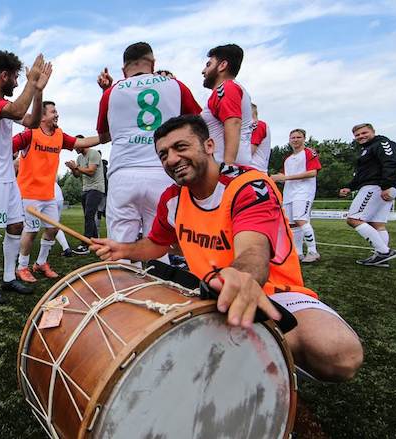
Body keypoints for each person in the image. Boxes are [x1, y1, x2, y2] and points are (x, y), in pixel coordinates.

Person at [91, 115, 363, 382]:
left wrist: (241, 275)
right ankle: (257, 353)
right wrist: (123, 250)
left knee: (340, 355)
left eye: (181, 147)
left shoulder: (248, 184)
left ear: (209, 146)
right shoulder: (171, 198)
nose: (171, 159)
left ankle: (273, 352)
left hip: (274, 294)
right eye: (163, 155)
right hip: (209, 298)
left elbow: (254, 249)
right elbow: (157, 244)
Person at [95, 42, 202, 264]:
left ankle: (121, 294)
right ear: (153, 64)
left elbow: (104, 135)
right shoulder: (175, 85)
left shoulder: (112, 92)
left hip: (123, 172)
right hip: (162, 171)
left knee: (119, 247)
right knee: (158, 244)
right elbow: (198, 122)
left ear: (124, 69)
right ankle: (157, 294)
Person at [0, 50, 51, 304]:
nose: (18, 83)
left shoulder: (4, 105)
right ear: (3, 75)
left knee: (16, 226)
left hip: (8, 178)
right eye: (16, 78)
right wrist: (31, 81)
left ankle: (8, 278)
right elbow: (19, 111)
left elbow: (33, 121)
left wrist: (38, 90)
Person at [13, 100, 100, 282]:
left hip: (49, 194)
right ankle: (22, 267)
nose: (57, 114)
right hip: (29, 194)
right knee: (31, 231)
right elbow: (6, 148)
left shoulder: (59, 135)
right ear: (42, 116)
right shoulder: (30, 133)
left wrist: (107, 136)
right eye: (53, 112)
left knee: (52, 229)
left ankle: (41, 263)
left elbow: (80, 141)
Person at [339, 123, 396, 267]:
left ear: (373, 131)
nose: (361, 136)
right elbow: (363, 174)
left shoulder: (383, 143)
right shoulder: (366, 149)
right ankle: (380, 258)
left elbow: (391, 163)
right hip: (377, 186)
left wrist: (386, 185)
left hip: (376, 187)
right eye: (357, 135)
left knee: (354, 219)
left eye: (364, 133)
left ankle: (384, 252)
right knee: (377, 224)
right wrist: (350, 187)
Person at [271, 129, 321, 263]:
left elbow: (312, 172)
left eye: (298, 137)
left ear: (304, 138)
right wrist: (273, 177)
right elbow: (283, 176)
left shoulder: (309, 152)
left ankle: (313, 251)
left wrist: (286, 177)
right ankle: (297, 253)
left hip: (303, 192)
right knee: (292, 224)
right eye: (292, 137)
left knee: (301, 219)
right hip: (289, 193)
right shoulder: (288, 159)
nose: (295, 139)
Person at [200, 44, 254, 166]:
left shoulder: (226, 87)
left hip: (226, 172)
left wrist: (228, 166)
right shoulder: (232, 89)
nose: (203, 71)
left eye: (208, 65)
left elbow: (233, 122)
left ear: (222, 66)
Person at [66, 138, 104, 254]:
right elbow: (77, 175)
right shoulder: (79, 158)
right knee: (89, 217)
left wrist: (76, 167)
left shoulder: (94, 153)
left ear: (83, 143)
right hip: (86, 189)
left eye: (76, 146)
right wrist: (72, 169)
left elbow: (91, 171)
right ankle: (96, 243)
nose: (75, 149)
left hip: (96, 188)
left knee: (89, 215)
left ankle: (85, 245)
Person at [250, 103, 271, 173]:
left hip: (254, 171)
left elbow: (249, 152)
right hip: (256, 171)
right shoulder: (255, 125)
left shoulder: (257, 125)